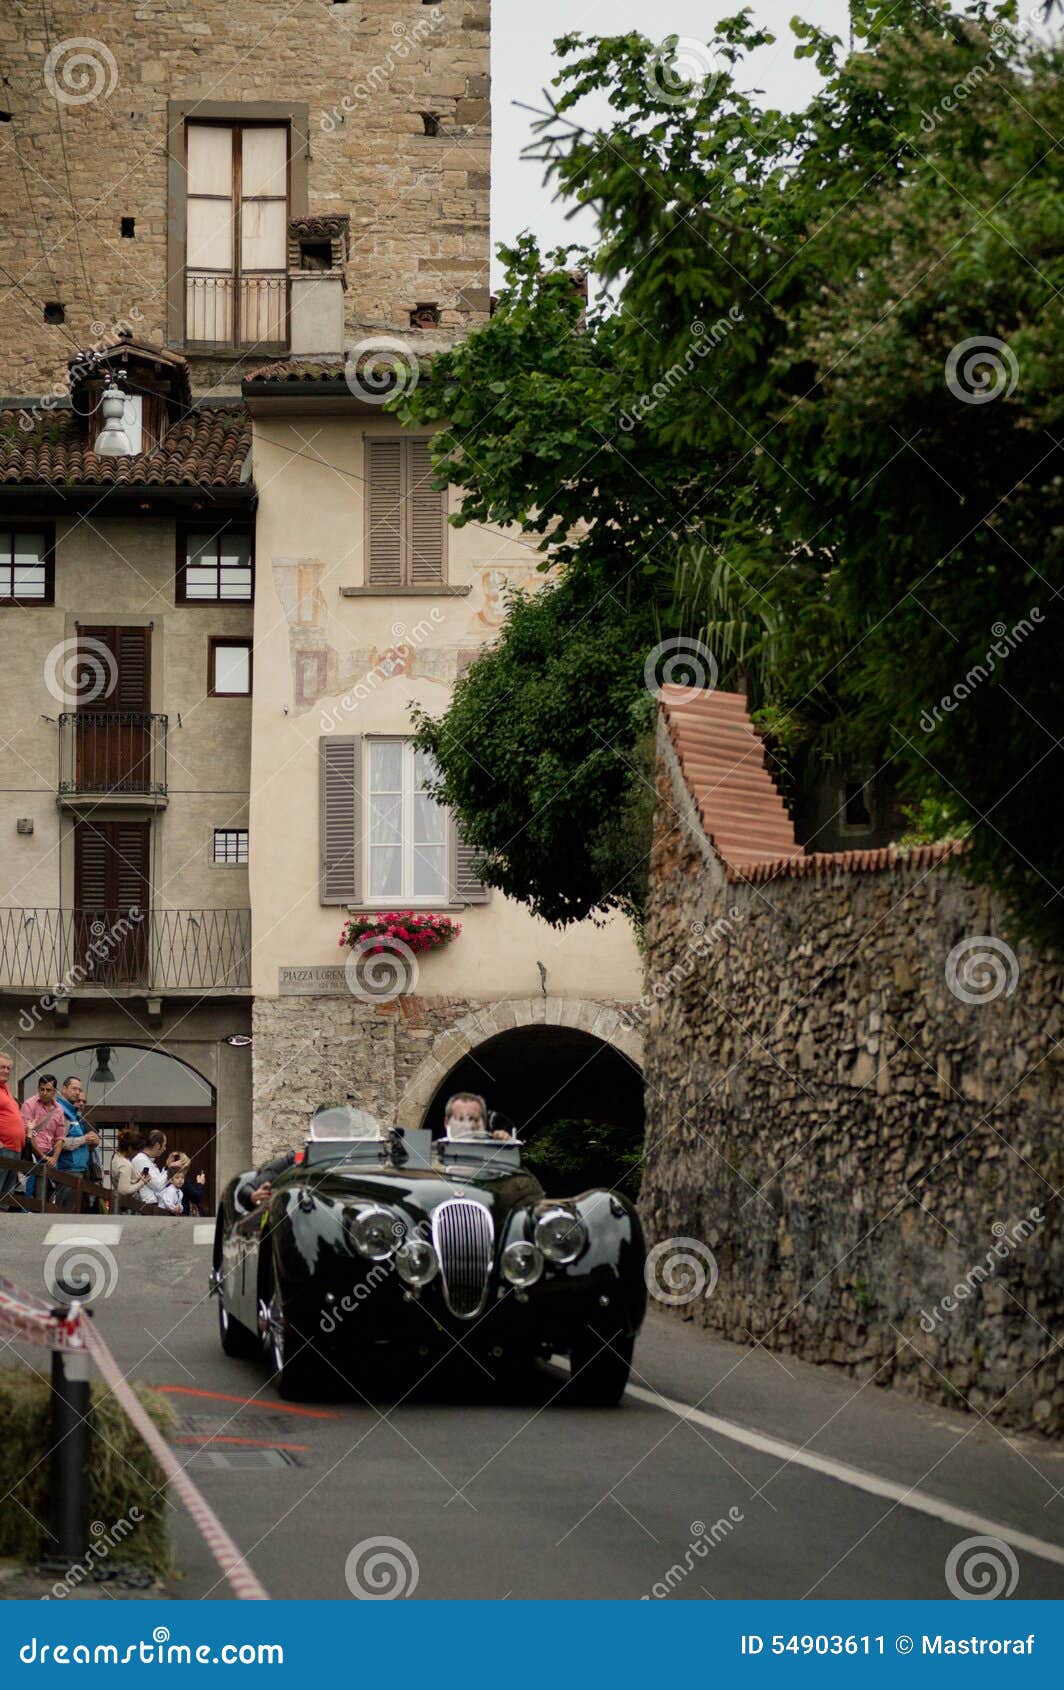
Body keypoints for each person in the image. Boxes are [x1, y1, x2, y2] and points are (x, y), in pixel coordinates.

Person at [52, 1077, 100, 1211]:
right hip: (67, 1169)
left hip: (79, 1170)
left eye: (80, 1089)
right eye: (74, 1088)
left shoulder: (74, 1113)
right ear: (64, 1089)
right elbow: (57, 1142)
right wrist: (84, 1139)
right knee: (67, 1215)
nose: (78, 1093)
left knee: (76, 1216)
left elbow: (77, 1141)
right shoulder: (60, 1111)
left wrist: (92, 1142)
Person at [21, 1074, 64, 1202]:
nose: (44, 1093)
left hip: (50, 1155)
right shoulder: (29, 1104)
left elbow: (60, 1138)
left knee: (53, 1192)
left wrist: (54, 1158)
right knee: (29, 1192)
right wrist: (43, 1157)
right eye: (41, 1089)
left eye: (48, 1090)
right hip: (32, 1155)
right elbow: (28, 1135)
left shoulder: (58, 1109)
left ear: (55, 1091)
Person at [0, 1051, 27, 1205]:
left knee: (7, 1197)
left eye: (9, 1068)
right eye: (2, 1067)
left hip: (14, 1150)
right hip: (3, 1150)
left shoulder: (6, 1090)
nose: (6, 1071)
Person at [110, 1127, 152, 1211]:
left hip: (119, 1202)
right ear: (130, 1148)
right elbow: (123, 1190)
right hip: (127, 1206)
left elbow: (123, 1182)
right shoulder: (125, 1164)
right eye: (137, 1151)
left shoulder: (115, 1157)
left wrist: (137, 1180)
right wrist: (142, 1182)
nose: (137, 1154)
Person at [131, 1129, 171, 1209]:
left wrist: (167, 1166)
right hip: (146, 1206)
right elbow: (159, 1186)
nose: (164, 1149)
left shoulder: (147, 1159)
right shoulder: (141, 1160)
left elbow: (159, 1182)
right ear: (157, 1145)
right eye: (164, 1145)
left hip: (152, 1205)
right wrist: (171, 1169)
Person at [443, 1092, 509, 1140]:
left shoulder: (494, 1151)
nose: (469, 1126)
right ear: (447, 1123)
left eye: (476, 1120)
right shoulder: (433, 1153)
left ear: (484, 1124)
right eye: (461, 1119)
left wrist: (506, 1148)